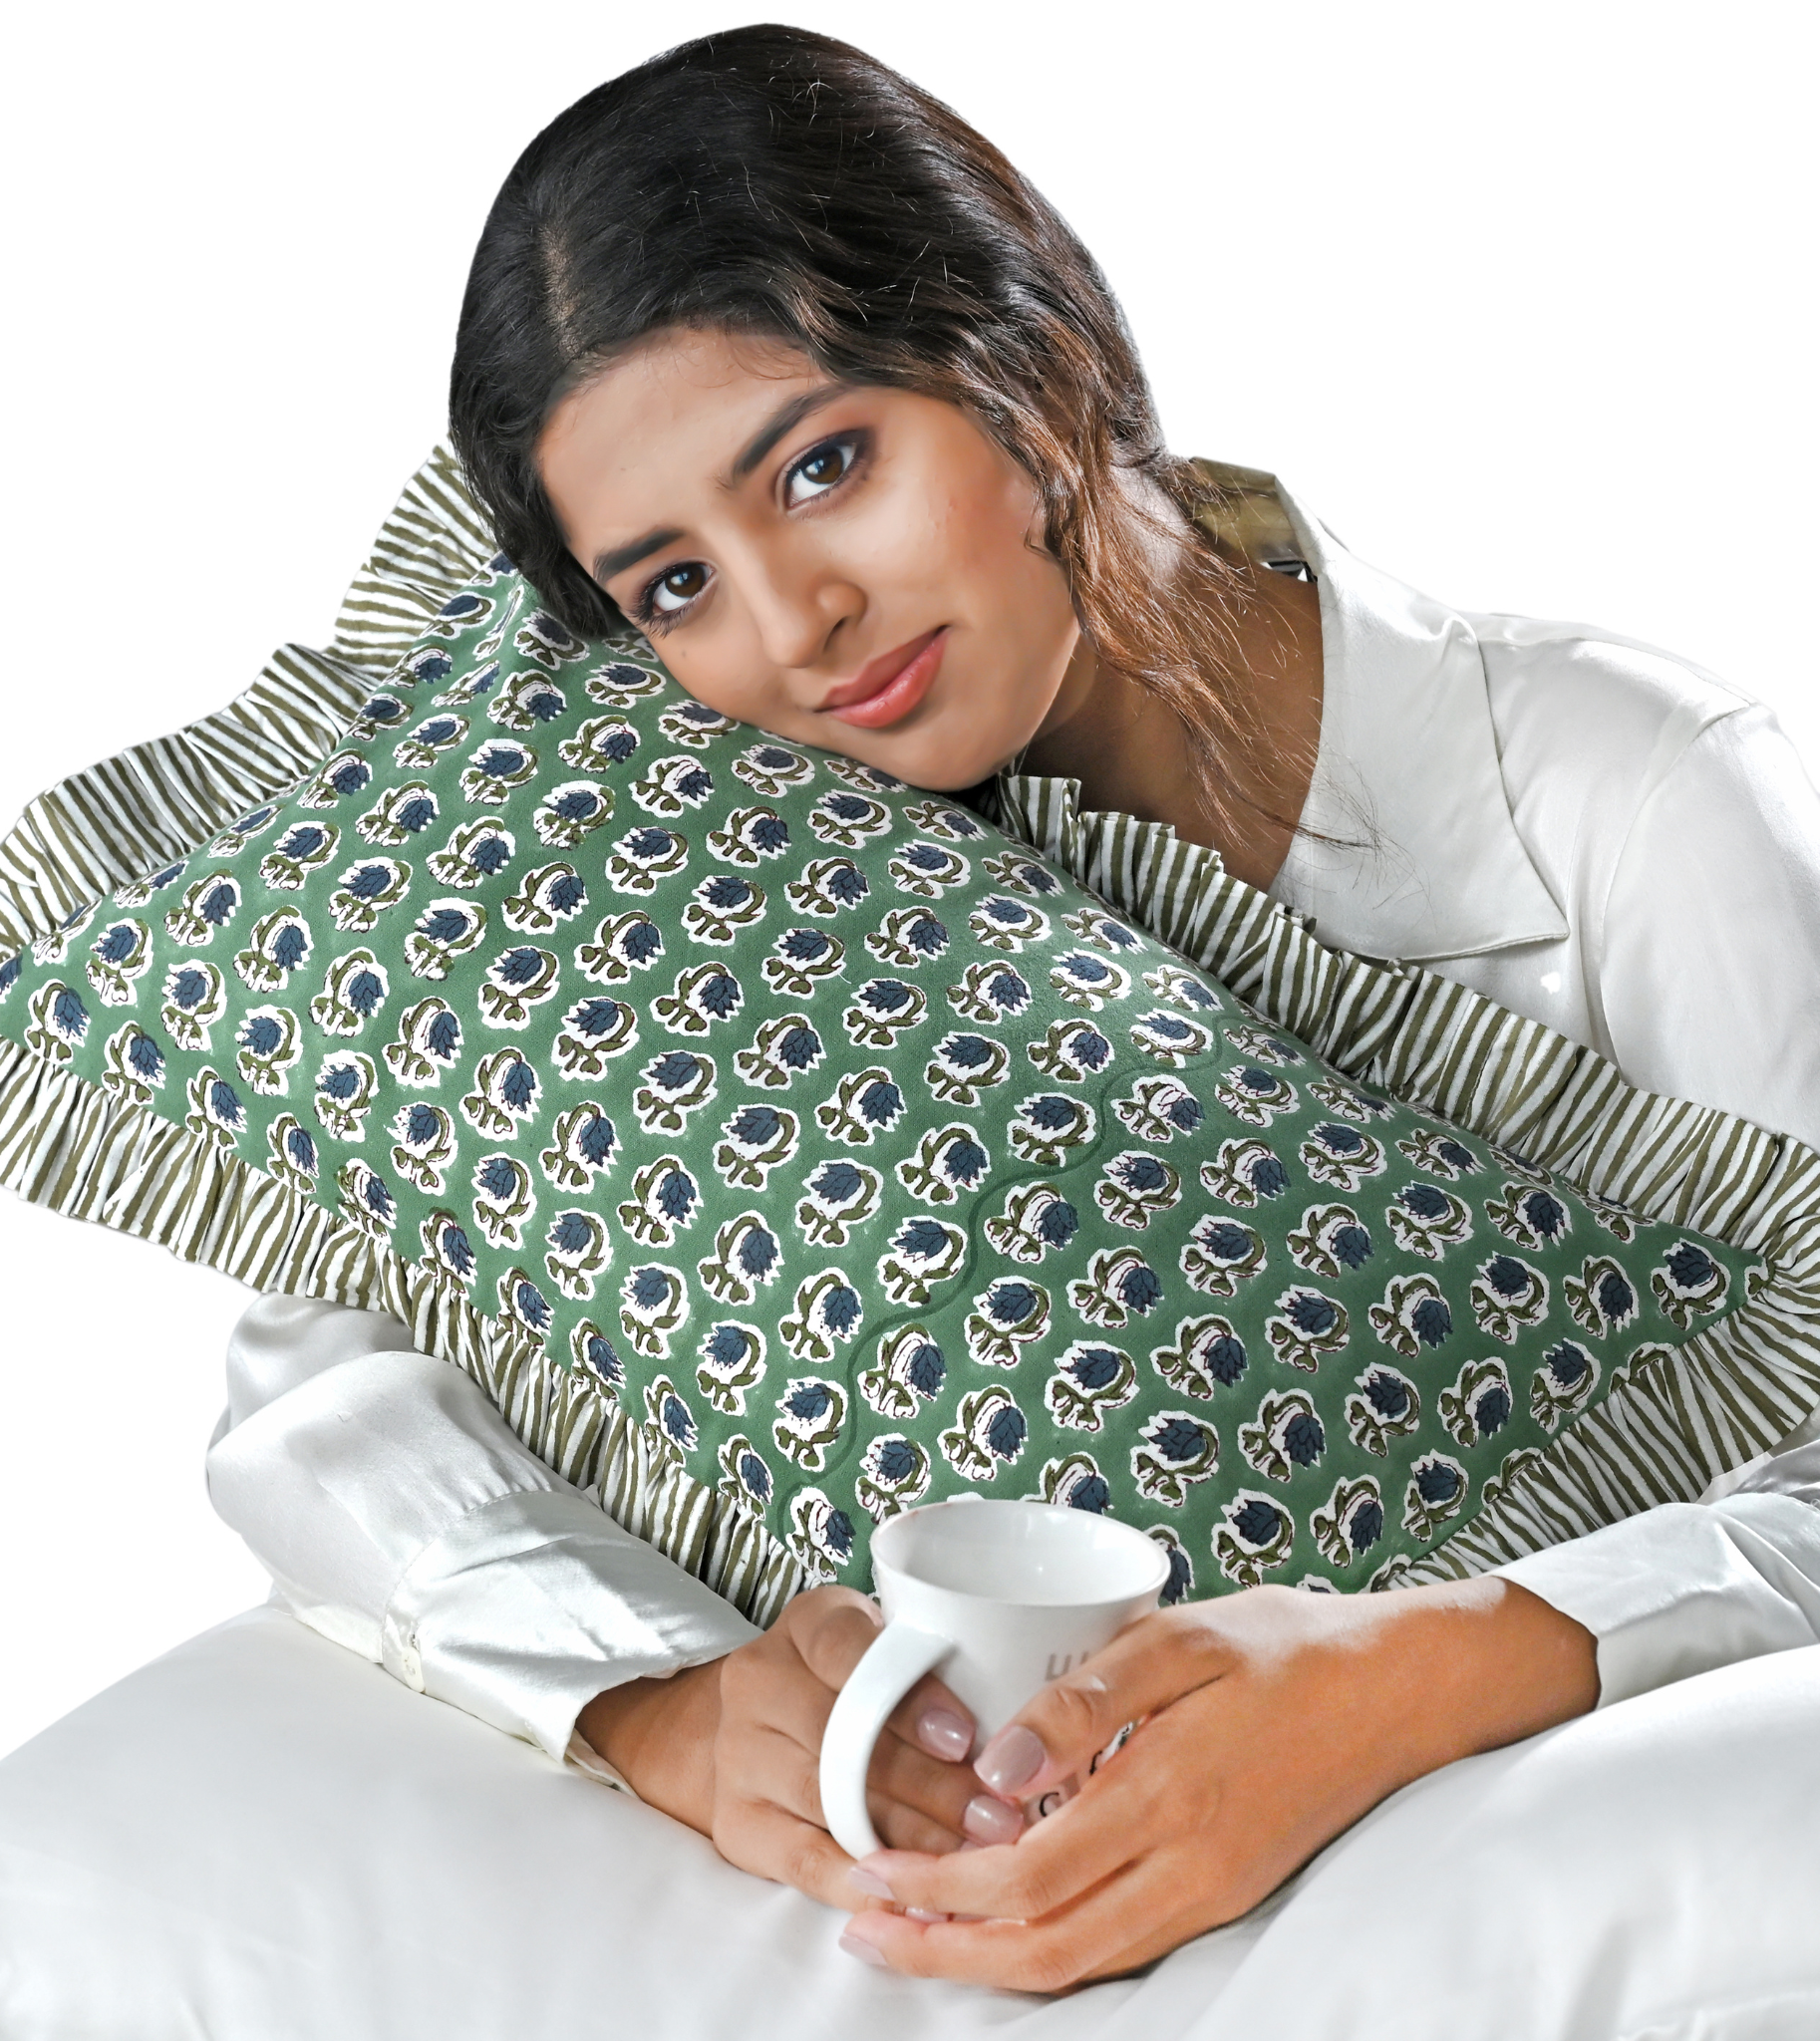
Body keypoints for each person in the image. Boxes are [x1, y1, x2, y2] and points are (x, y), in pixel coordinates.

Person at [204, 25, 1820, 1993]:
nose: (792, 626)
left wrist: (1422, 1665)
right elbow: (328, 1383)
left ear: (1028, 362)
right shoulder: (730, 848)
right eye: (674, 586)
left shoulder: (1625, 796)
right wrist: (657, 1701)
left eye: (824, 467)